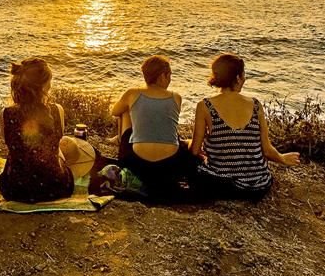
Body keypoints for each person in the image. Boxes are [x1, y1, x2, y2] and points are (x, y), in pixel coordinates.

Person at [190, 54, 301, 200]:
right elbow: (266, 150)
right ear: (237, 78)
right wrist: (282, 158)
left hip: (221, 185)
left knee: (192, 166)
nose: (244, 79)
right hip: (258, 187)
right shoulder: (256, 105)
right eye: (243, 75)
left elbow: (195, 151)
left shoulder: (205, 106)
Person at [0, 58, 96, 203]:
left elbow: (9, 142)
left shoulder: (6, 114)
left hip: (16, 190)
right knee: (65, 147)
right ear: (45, 86)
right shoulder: (57, 110)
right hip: (56, 188)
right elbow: (56, 142)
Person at [110, 55, 197, 198]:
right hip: (169, 165)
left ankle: (120, 139)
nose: (170, 79)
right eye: (169, 75)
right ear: (163, 76)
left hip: (137, 163)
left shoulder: (132, 93)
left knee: (124, 111)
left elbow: (114, 112)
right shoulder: (176, 97)